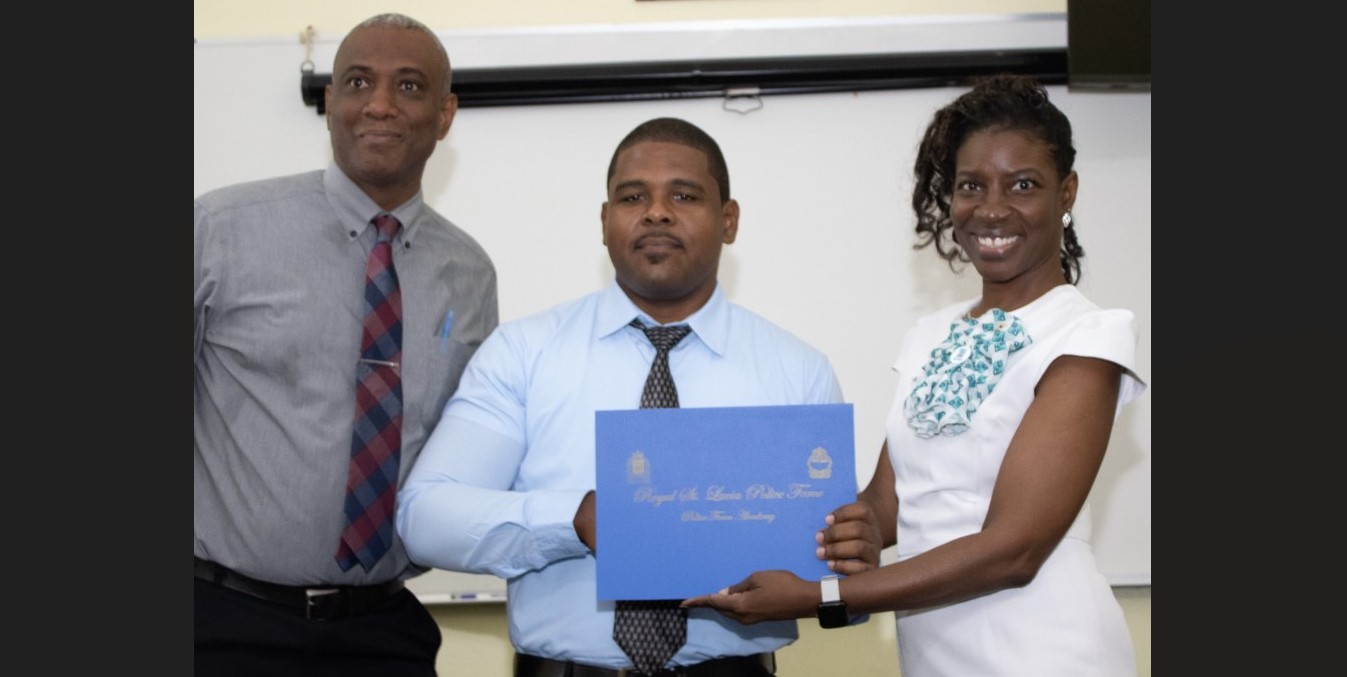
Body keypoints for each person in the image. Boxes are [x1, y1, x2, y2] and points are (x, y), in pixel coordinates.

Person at [684, 74, 1147, 677]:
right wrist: (725, 525)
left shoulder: (1086, 337)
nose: (993, 208)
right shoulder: (931, 335)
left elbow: (1016, 549)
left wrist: (819, 596)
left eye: (1023, 185)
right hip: (935, 653)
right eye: (971, 186)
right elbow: (886, 503)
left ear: (1067, 193)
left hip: (1046, 650)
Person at [396, 117, 856, 677]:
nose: (657, 212)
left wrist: (849, 560)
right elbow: (425, 516)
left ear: (729, 221)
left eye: (684, 195)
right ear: (604, 220)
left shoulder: (798, 371)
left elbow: (841, 587)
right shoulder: (522, 352)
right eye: (632, 196)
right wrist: (576, 519)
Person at [194, 13, 498, 677]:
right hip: (219, 625)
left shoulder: (470, 273)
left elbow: (474, 442)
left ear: (445, 115)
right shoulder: (217, 229)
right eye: (358, 81)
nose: (380, 104)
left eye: (411, 87)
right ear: (330, 100)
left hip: (383, 632)